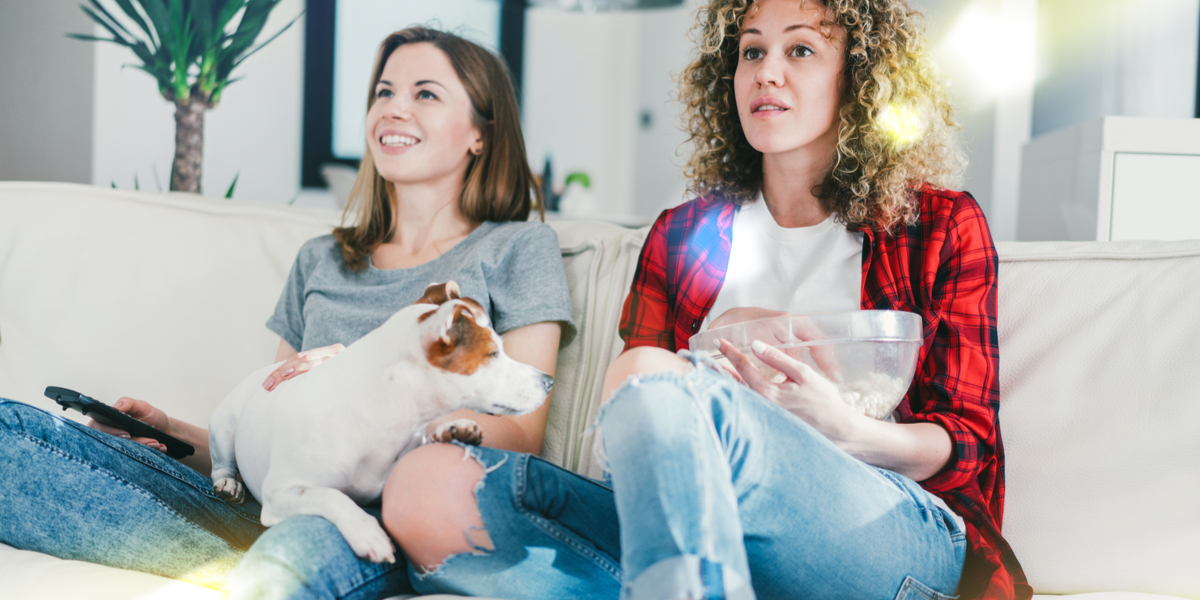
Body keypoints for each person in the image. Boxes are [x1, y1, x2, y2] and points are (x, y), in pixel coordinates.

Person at [386, 1, 1032, 599]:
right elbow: (628, 447)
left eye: (800, 51)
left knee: (645, 370)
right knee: (428, 485)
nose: (766, 73)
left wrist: (847, 429)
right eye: (751, 52)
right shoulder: (682, 235)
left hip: (881, 530)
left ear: (860, 77)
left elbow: (967, 443)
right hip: (686, 519)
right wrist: (706, 360)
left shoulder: (936, 224)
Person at [0, 26, 575, 599]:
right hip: (270, 501)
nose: (393, 109)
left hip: (368, 521)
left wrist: (413, 425)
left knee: (286, 564)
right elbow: (271, 429)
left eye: (425, 93)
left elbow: (521, 432)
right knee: (12, 434)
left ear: (480, 131)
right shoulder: (323, 259)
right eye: (383, 92)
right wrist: (170, 432)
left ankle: (261, 569)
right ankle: (234, 563)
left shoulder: (517, 249)